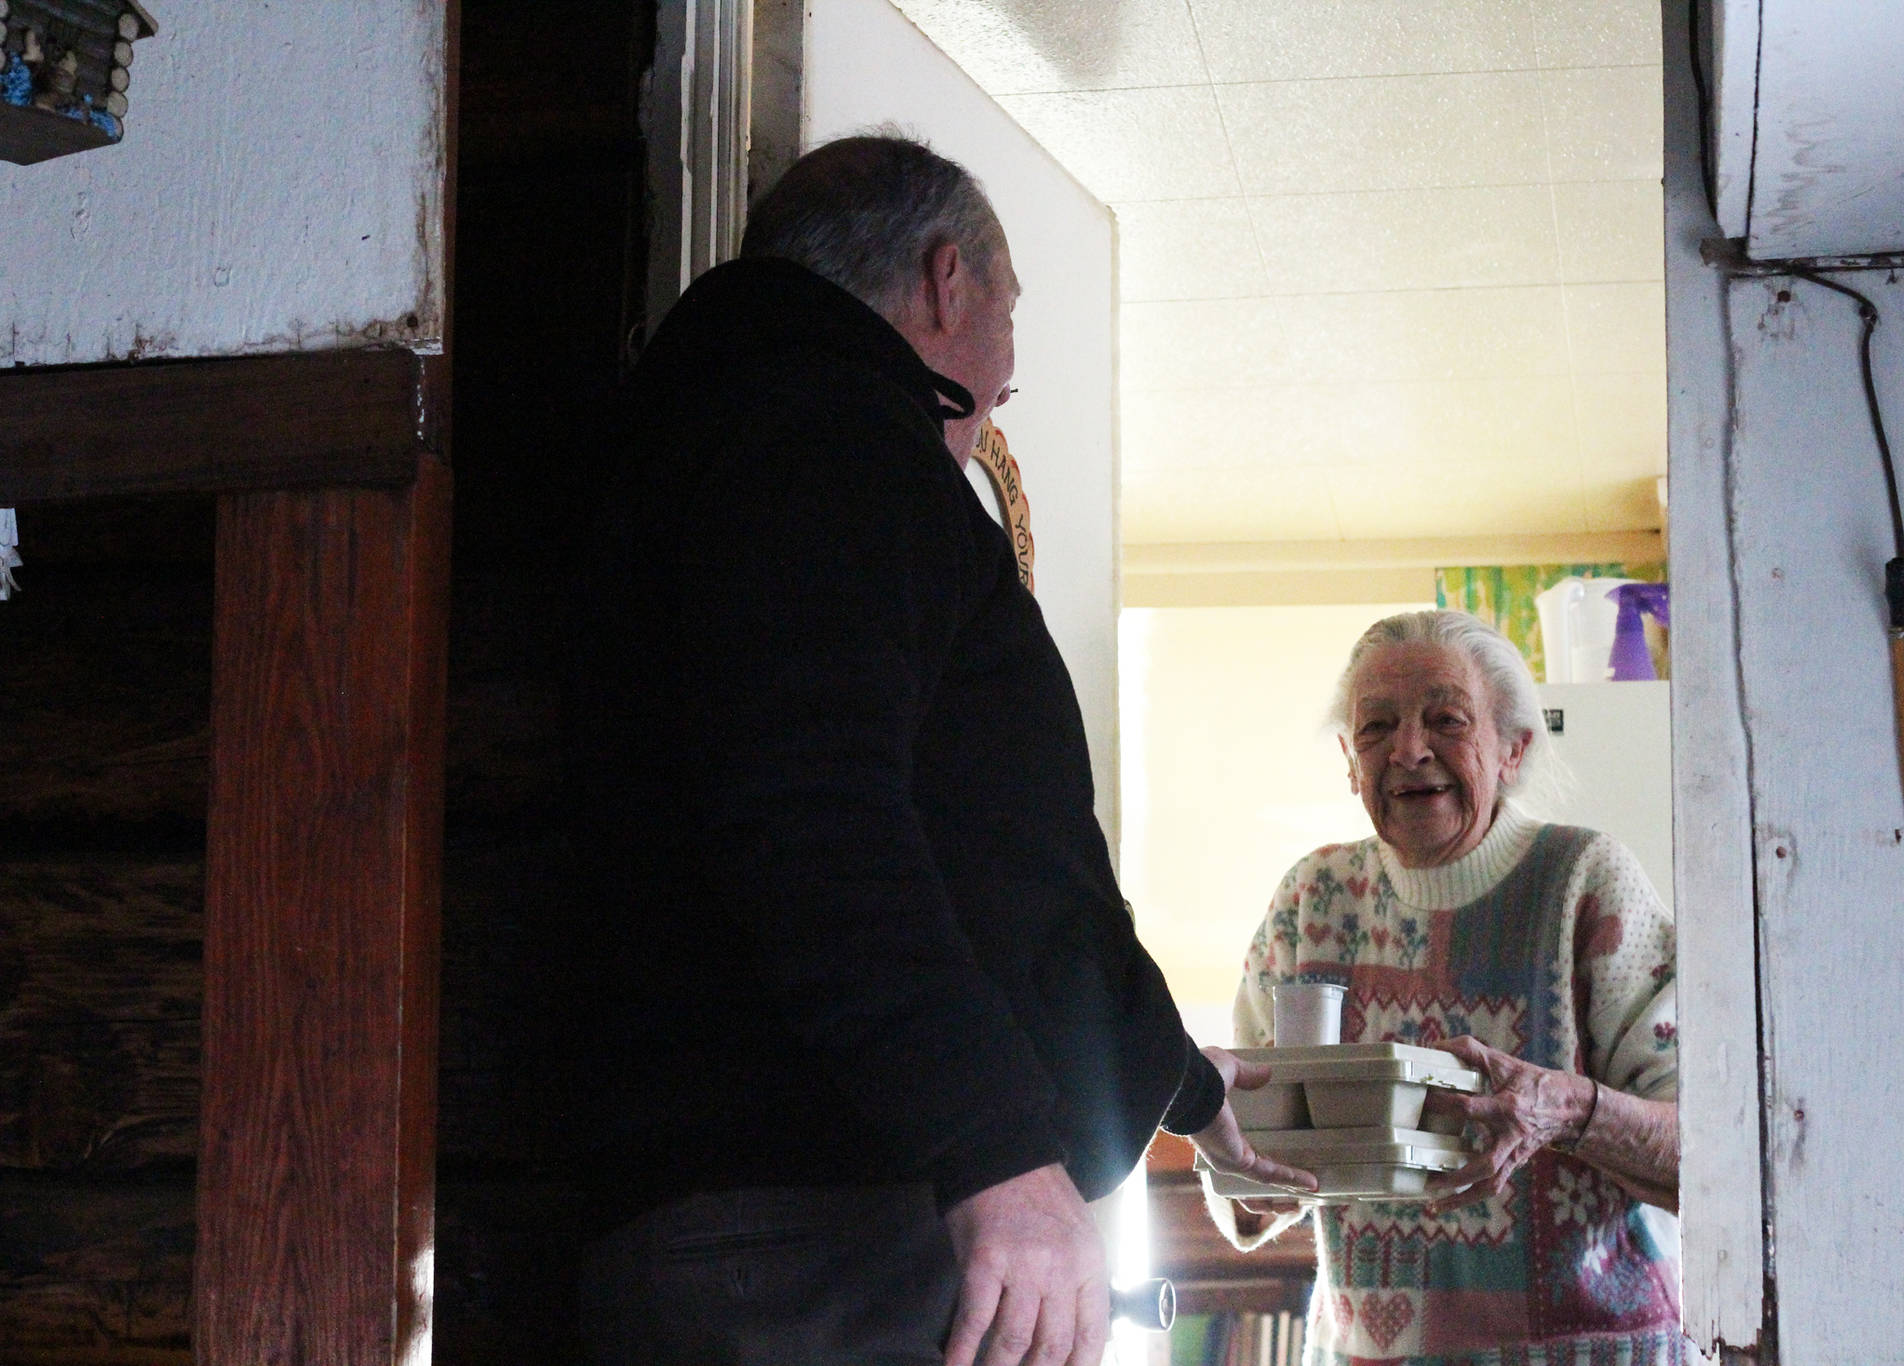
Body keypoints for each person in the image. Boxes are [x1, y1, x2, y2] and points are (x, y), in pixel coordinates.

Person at [563, 133, 1308, 1366]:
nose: (984, 415)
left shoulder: (757, 431)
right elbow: (812, 819)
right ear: (946, 281)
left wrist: (1169, 1072)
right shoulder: (820, 439)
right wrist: (996, 1154)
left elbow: (980, 842)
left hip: (803, 1224)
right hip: (822, 1231)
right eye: (998, 368)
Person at [1211, 609, 1681, 1363]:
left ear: (1513, 749)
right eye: (1376, 728)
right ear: (1348, 757)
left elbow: (1710, 1159)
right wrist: (1222, 1130)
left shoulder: (1586, 882)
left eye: (1446, 719)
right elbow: (1254, 1178)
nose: (1407, 749)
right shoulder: (1312, 900)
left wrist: (1565, 1108)